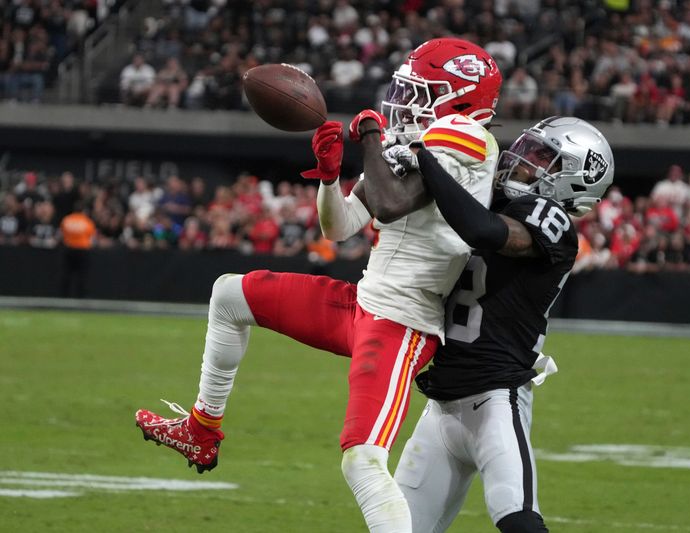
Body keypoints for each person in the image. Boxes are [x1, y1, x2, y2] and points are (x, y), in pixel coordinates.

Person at [135, 38, 502, 533]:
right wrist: (329, 178)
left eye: (423, 92)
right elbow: (342, 225)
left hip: (402, 324)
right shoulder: (423, 139)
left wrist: (371, 136)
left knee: (362, 461)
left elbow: (392, 204)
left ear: (460, 98)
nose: (408, 102)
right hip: (363, 303)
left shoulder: (467, 135)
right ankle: (202, 429)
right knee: (229, 294)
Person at [386, 116, 615, 533]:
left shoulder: (553, 223)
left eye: (543, 156)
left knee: (521, 523)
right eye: (529, 148)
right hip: (441, 406)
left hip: (496, 398)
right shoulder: (492, 199)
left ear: (575, 180)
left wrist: (425, 157)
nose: (523, 158)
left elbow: (483, 230)